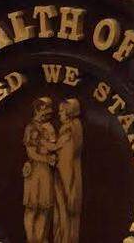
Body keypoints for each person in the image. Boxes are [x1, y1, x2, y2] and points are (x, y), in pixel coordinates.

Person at [22, 97, 56, 243]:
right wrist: (47, 159)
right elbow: (31, 153)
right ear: (38, 110)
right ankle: (31, 240)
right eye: (45, 110)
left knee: (44, 209)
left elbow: (54, 146)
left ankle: (41, 239)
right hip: (35, 171)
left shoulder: (49, 127)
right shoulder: (31, 128)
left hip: (46, 172)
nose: (48, 114)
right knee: (32, 208)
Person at [53, 98, 83, 243]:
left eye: (61, 111)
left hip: (65, 173)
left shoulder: (67, 130)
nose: (59, 114)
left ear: (69, 112)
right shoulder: (77, 126)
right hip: (71, 172)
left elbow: (56, 148)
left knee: (63, 208)